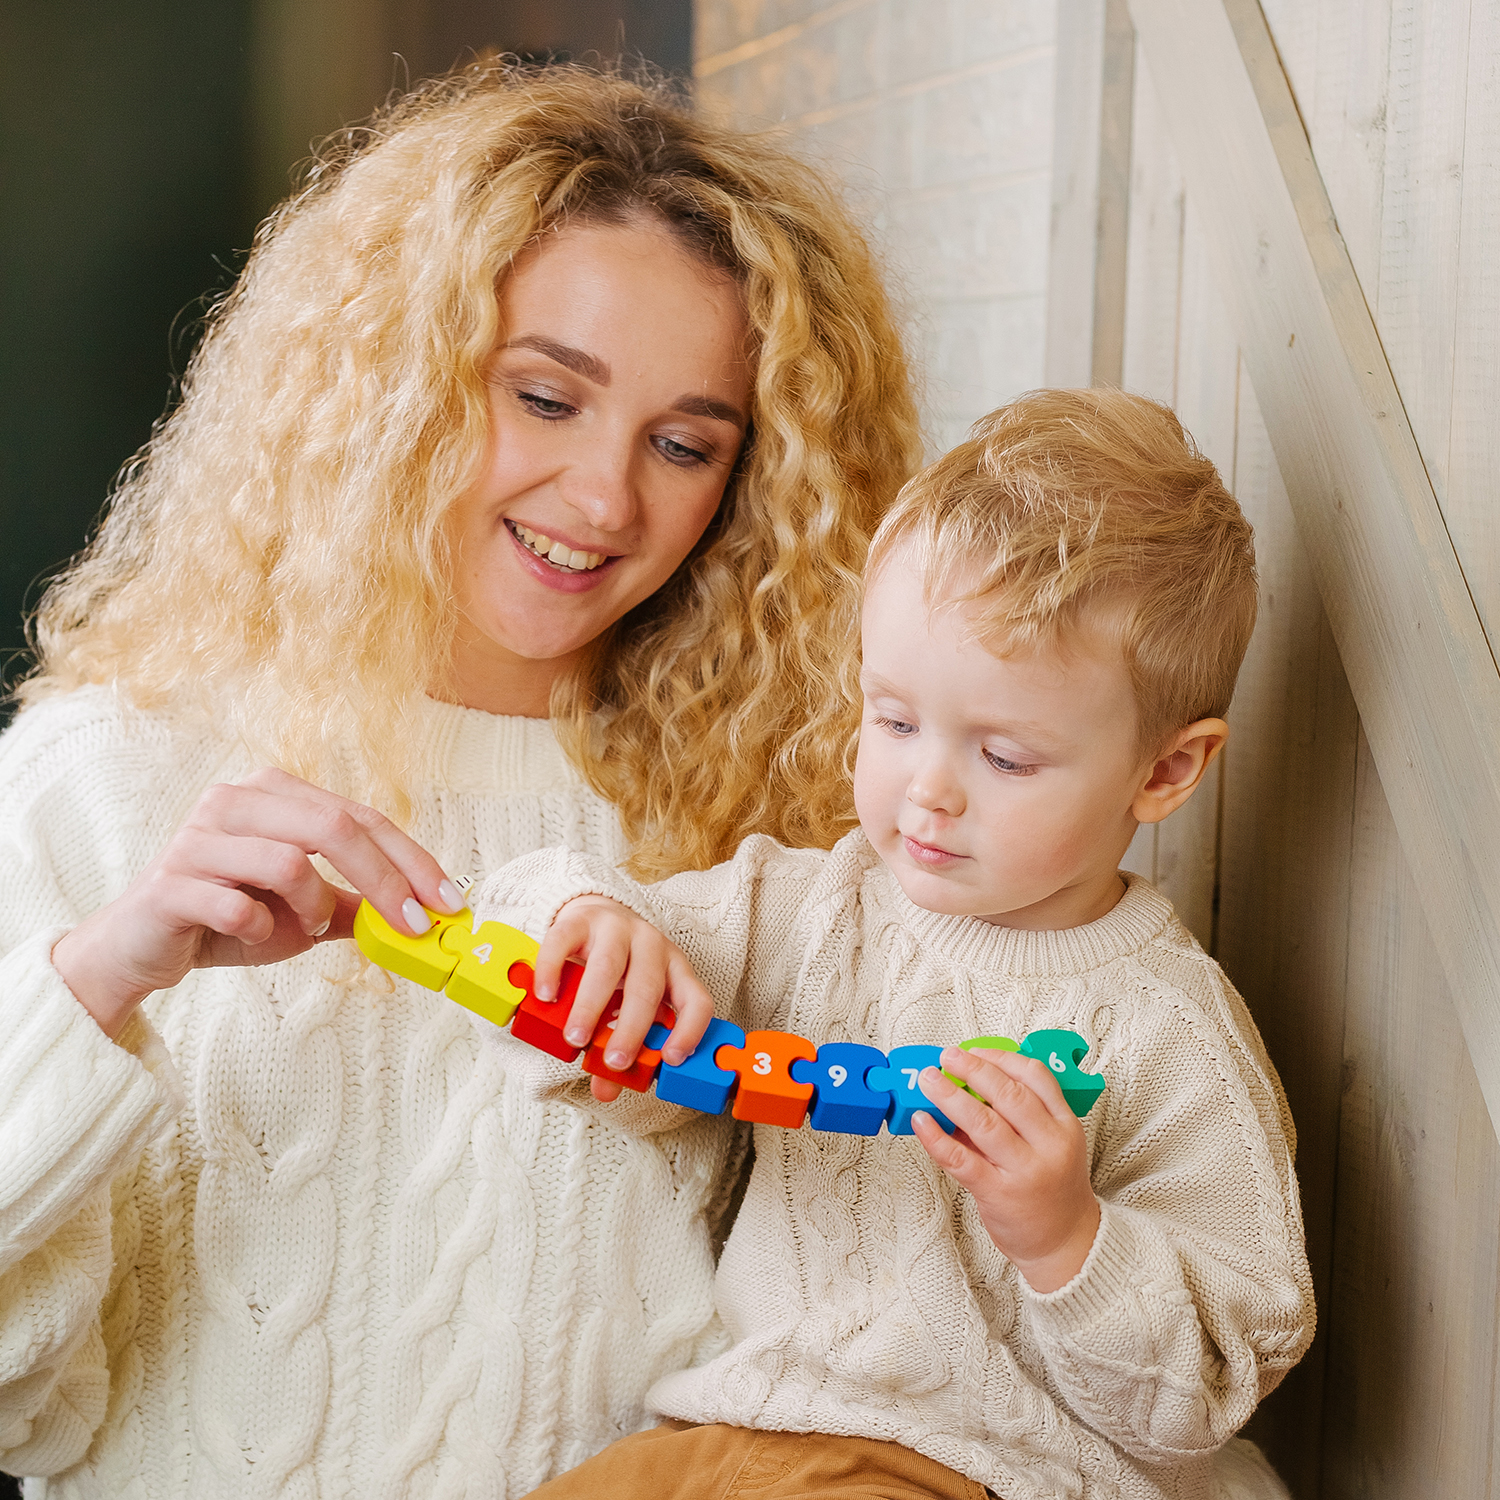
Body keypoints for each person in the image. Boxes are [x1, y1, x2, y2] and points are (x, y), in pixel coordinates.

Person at [0, 65, 920, 1497]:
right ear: (391, 376)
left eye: (684, 443)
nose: (606, 498)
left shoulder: (779, 837)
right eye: (546, 396)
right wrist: (101, 979)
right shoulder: (108, 778)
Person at [466, 389, 1315, 1500]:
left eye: (1004, 757)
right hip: (726, 1436)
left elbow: (1214, 1380)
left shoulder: (1168, 1028)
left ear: (1163, 772)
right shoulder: (817, 907)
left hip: (974, 1473)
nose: (927, 791)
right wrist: (593, 931)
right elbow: (568, 934)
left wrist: (1069, 1239)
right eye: (895, 719)